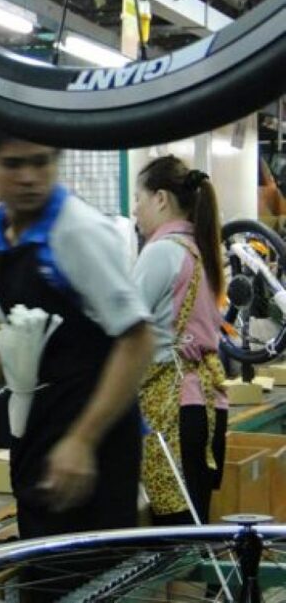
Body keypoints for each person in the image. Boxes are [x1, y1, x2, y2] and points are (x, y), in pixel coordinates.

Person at [0, 125, 154, 540]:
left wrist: (82, 440)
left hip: (96, 440)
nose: (29, 177)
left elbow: (138, 340)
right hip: (40, 428)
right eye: (13, 164)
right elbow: (15, 343)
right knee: (40, 559)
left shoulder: (77, 231)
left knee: (93, 568)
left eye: (41, 162)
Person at [133, 156, 228, 525]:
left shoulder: (162, 251)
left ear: (160, 199)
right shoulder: (201, 248)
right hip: (205, 405)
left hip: (173, 411)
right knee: (193, 527)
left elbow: (124, 326)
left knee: (175, 535)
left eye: (139, 199)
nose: (135, 210)